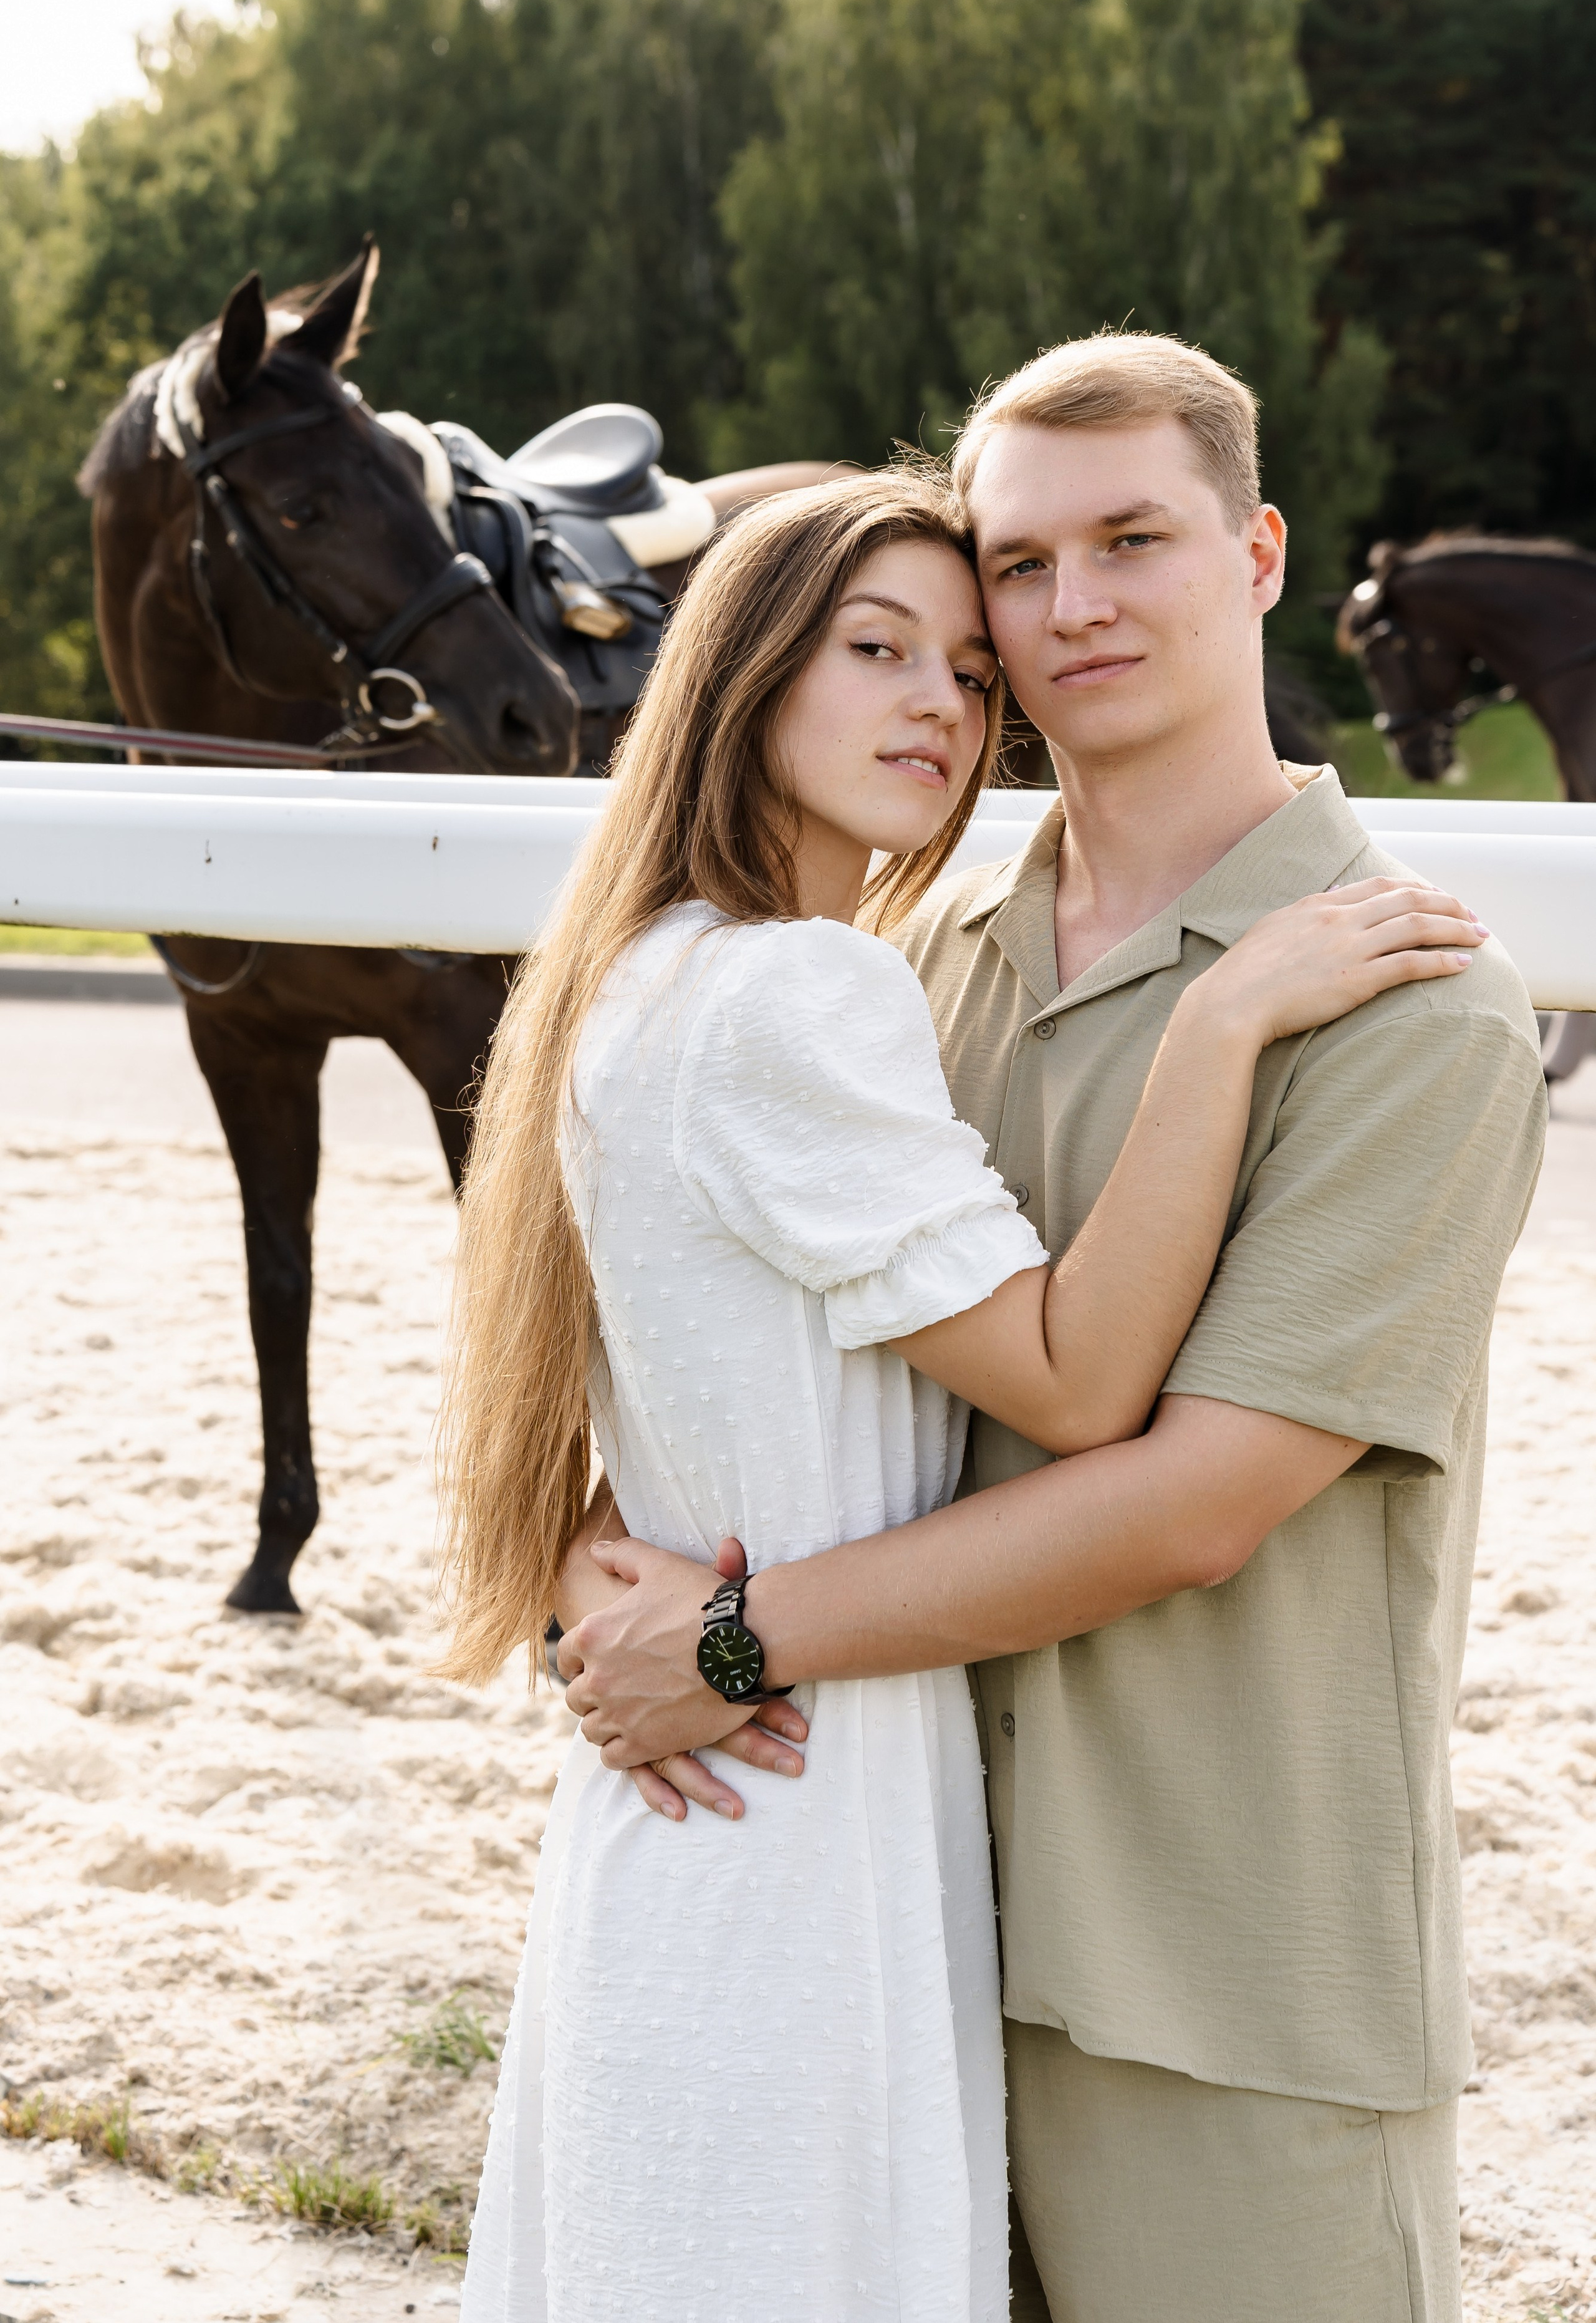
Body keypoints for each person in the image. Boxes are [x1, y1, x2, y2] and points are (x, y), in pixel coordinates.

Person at [554, 337, 1548, 2323]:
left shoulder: (1416, 1013)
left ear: (1259, 554)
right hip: (879, 1936)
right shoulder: (894, 974)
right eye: (1019, 563)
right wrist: (596, 1562)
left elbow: (1192, 1502)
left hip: (1214, 2001)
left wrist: (727, 1638)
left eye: (1134, 540)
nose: (1073, 605)